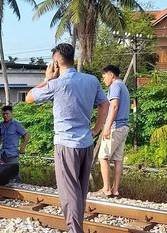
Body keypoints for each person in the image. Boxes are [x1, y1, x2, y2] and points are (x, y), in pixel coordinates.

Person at [25, 43, 109, 233]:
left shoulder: (55, 84)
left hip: (65, 145)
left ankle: (74, 231)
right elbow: (104, 105)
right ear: (73, 59)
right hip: (86, 143)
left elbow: (29, 97)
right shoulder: (92, 80)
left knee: (69, 193)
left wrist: (46, 79)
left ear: (55, 63)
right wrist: (95, 130)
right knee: (80, 191)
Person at [97, 65, 131, 198]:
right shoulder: (123, 86)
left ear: (111, 75)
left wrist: (107, 127)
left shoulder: (115, 86)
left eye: (104, 76)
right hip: (124, 127)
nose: (104, 79)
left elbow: (114, 106)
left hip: (115, 127)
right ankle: (115, 190)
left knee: (103, 157)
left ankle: (106, 189)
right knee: (117, 159)